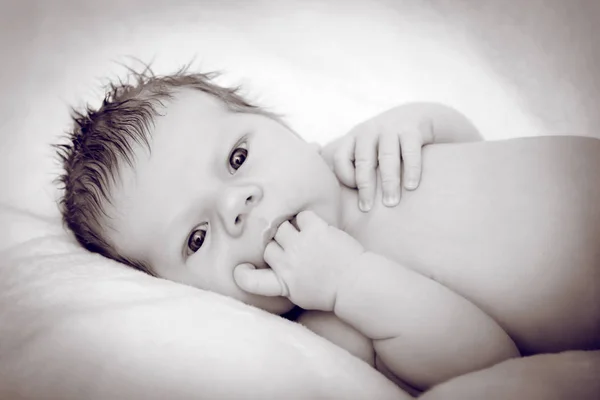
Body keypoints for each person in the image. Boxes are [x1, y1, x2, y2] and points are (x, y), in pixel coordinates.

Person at [55, 69, 600, 394]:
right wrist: (350, 283)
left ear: (282, 126)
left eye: (238, 157)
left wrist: (421, 120)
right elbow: (488, 363)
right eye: (196, 238)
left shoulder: (357, 156)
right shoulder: (333, 323)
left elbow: (473, 145)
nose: (236, 204)